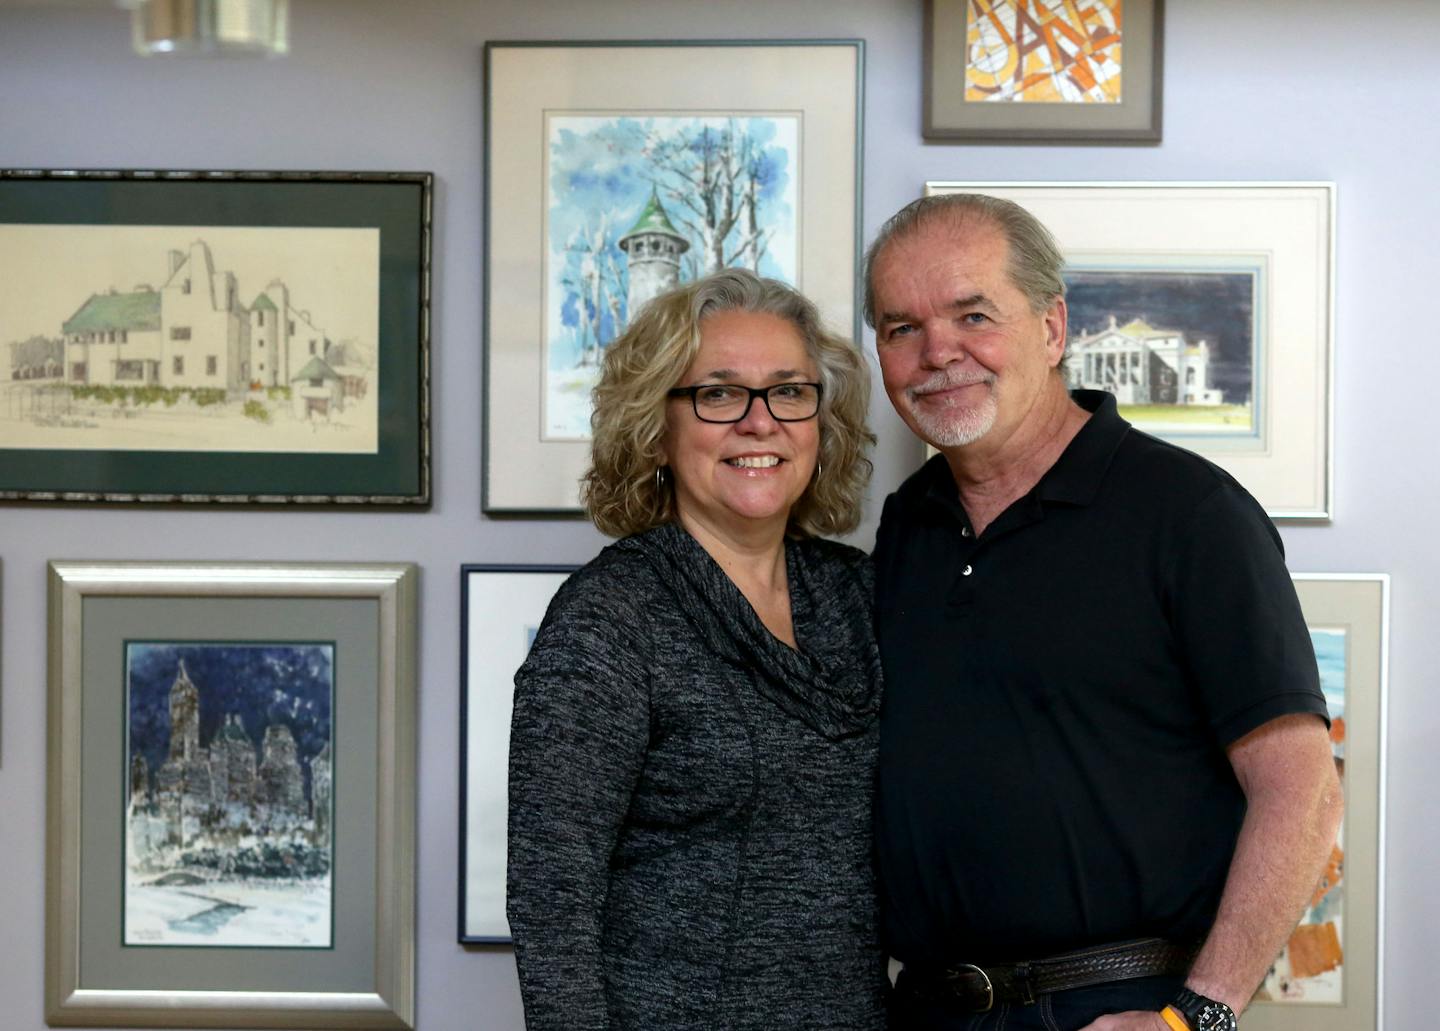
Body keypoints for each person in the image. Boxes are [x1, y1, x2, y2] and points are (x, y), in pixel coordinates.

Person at [864, 194, 1344, 1031]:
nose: (938, 352)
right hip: (928, 1009)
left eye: (972, 313)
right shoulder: (909, 525)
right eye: (901, 327)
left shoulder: (1187, 511)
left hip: (1113, 1010)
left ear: (1052, 329)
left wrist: (1199, 1016)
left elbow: (1302, 788)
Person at [507, 268, 886, 1030]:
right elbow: (554, 901)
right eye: (718, 393)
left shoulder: (860, 596)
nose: (760, 422)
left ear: (821, 419)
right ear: (656, 428)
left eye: (789, 390)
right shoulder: (610, 620)